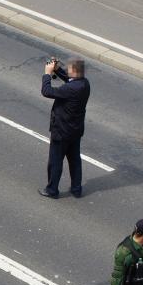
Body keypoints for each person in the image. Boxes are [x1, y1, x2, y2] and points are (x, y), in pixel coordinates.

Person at [38, 58, 90, 199]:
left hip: (61, 131)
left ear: (74, 70)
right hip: (75, 130)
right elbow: (69, 79)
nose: (67, 70)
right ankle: (76, 189)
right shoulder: (84, 83)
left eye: (68, 68)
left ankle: (52, 190)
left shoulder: (69, 89)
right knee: (74, 160)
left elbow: (47, 91)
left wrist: (48, 74)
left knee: (55, 161)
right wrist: (57, 69)